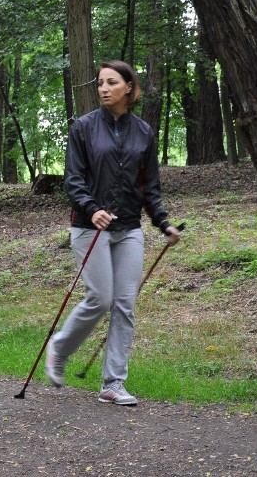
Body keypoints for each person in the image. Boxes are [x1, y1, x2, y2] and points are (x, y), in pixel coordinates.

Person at [46, 60, 181, 405]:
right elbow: (73, 179)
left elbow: (150, 186)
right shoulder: (84, 128)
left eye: (111, 82)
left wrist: (163, 223)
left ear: (129, 88)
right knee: (101, 298)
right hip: (88, 227)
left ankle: (113, 383)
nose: (104, 88)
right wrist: (93, 209)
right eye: (100, 83)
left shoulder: (144, 133)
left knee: (124, 304)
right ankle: (60, 348)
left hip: (129, 228)